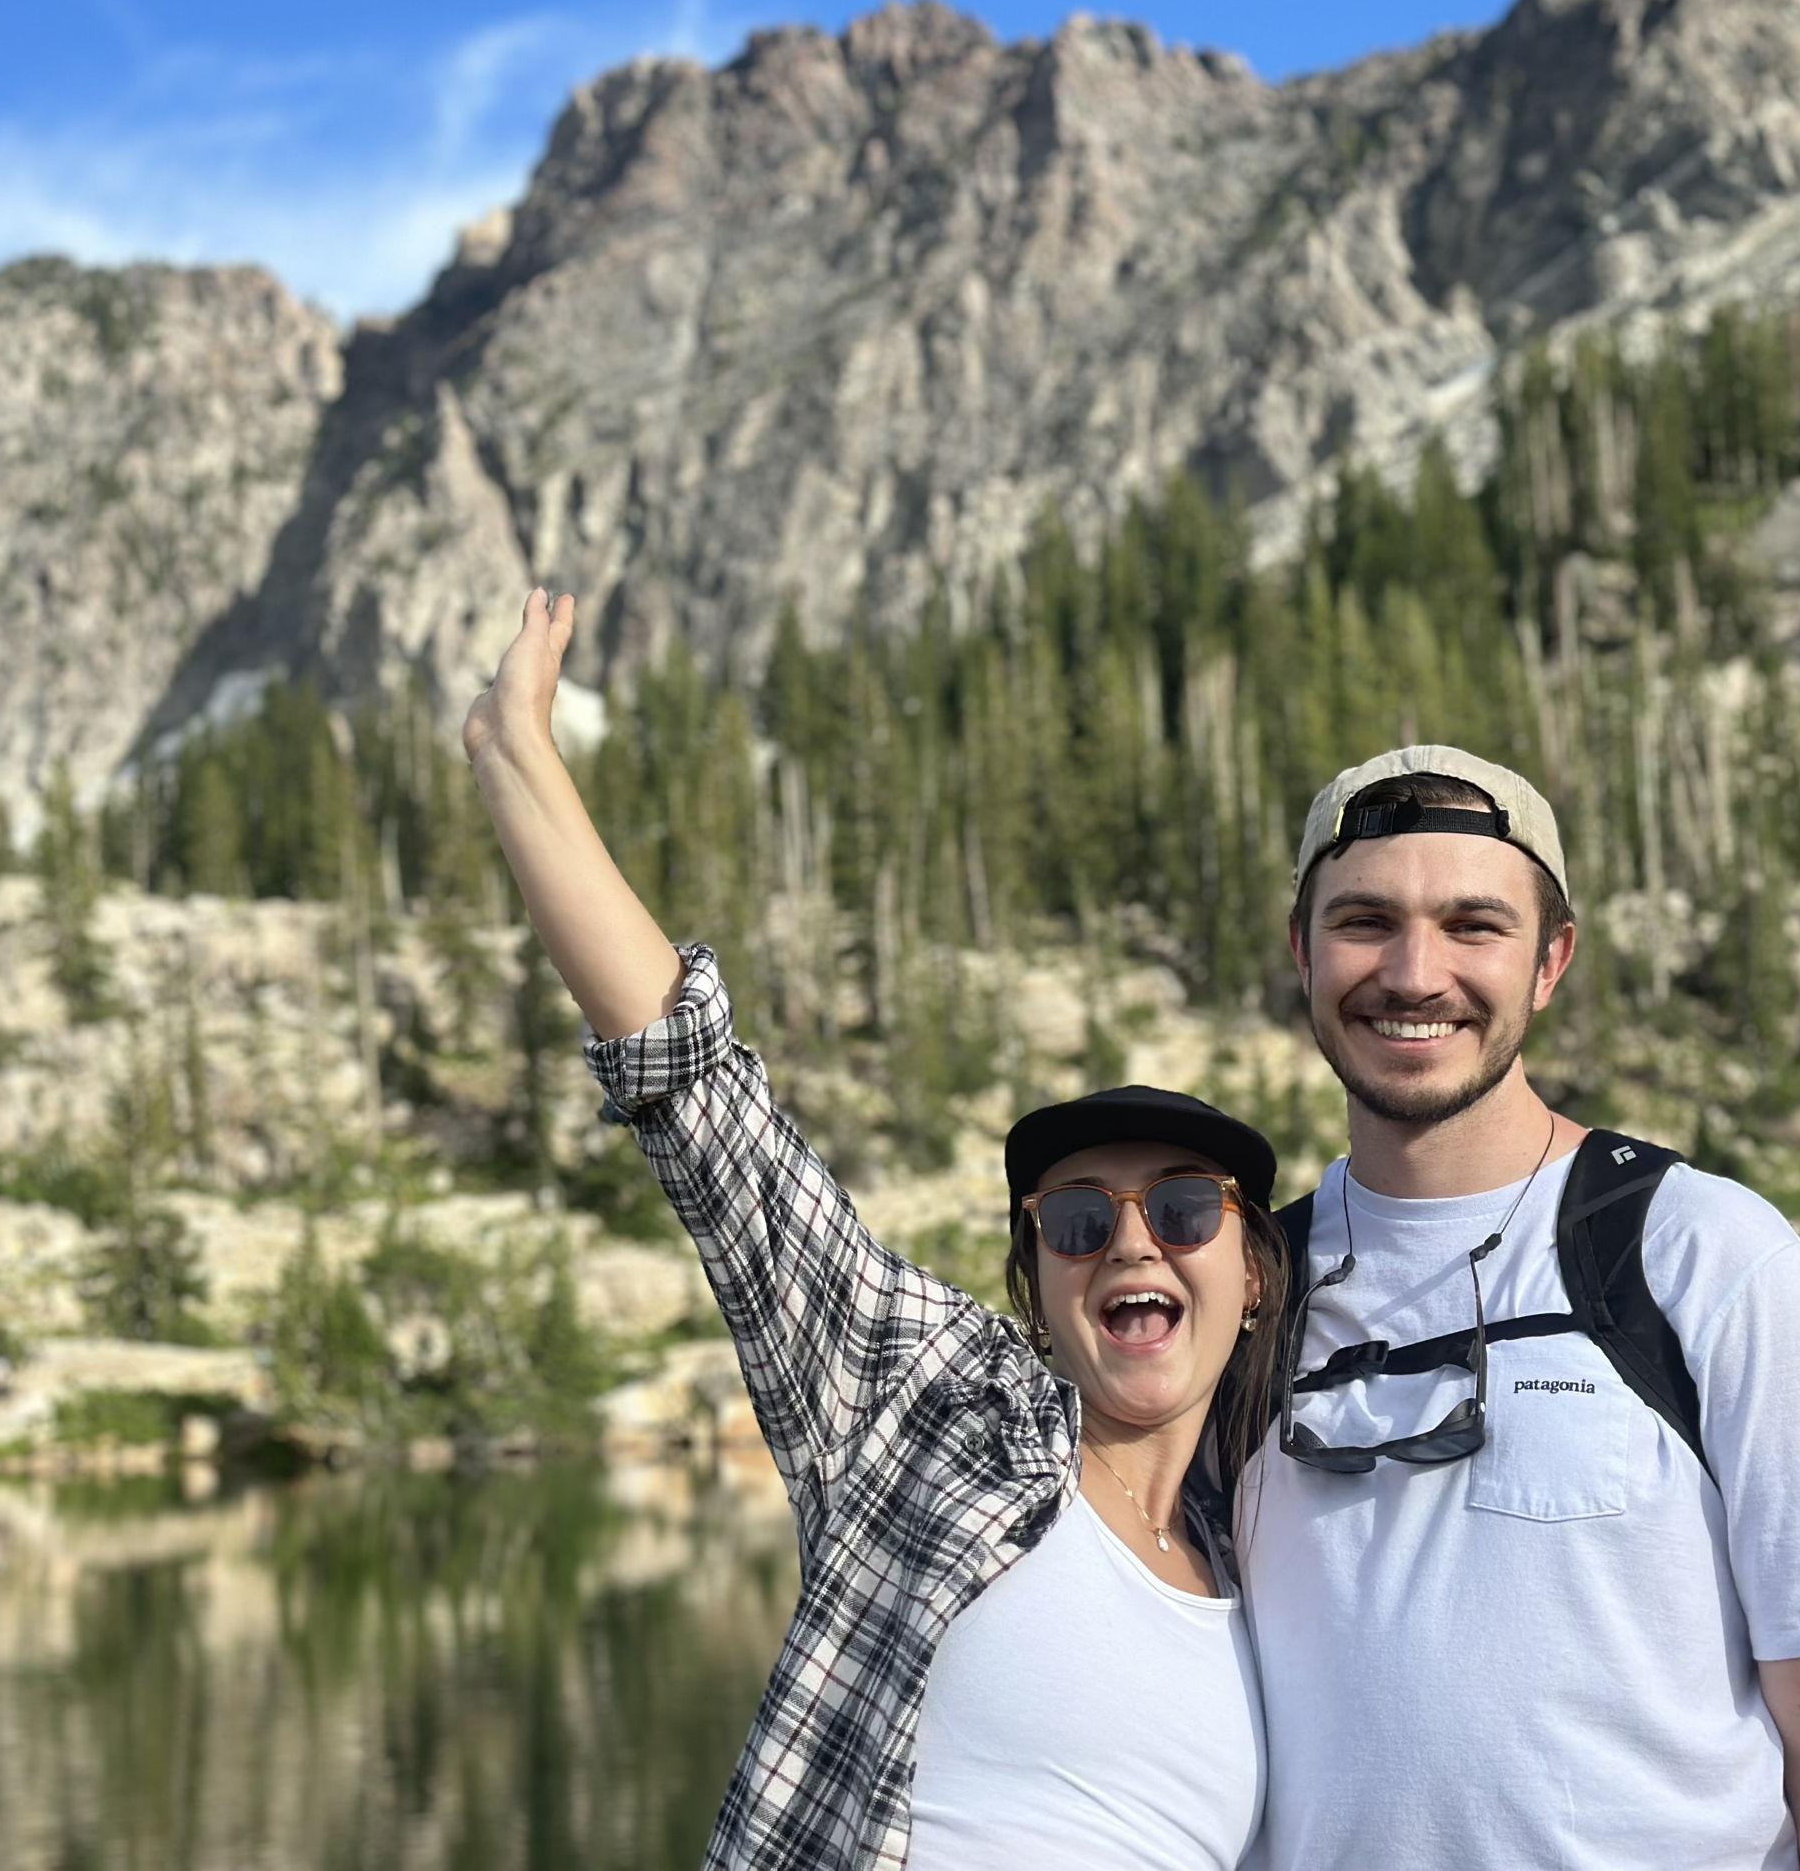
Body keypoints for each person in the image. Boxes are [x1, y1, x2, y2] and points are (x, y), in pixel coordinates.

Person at [463, 586, 1286, 1871]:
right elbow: (700, 1099)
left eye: (1182, 1207)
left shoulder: (1283, 1551)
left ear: (1254, 1274)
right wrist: (516, 752)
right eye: (1078, 1219)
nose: (1132, 1242)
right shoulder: (929, 1401)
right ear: (1034, 1281)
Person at [1247, 742, 1800, 1871]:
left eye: (1474, 925)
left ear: (1550, 960)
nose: (1414, 973)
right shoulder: (1244, 1294)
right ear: (1301, 950)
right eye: (1364, 921)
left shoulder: (1699, 1251)